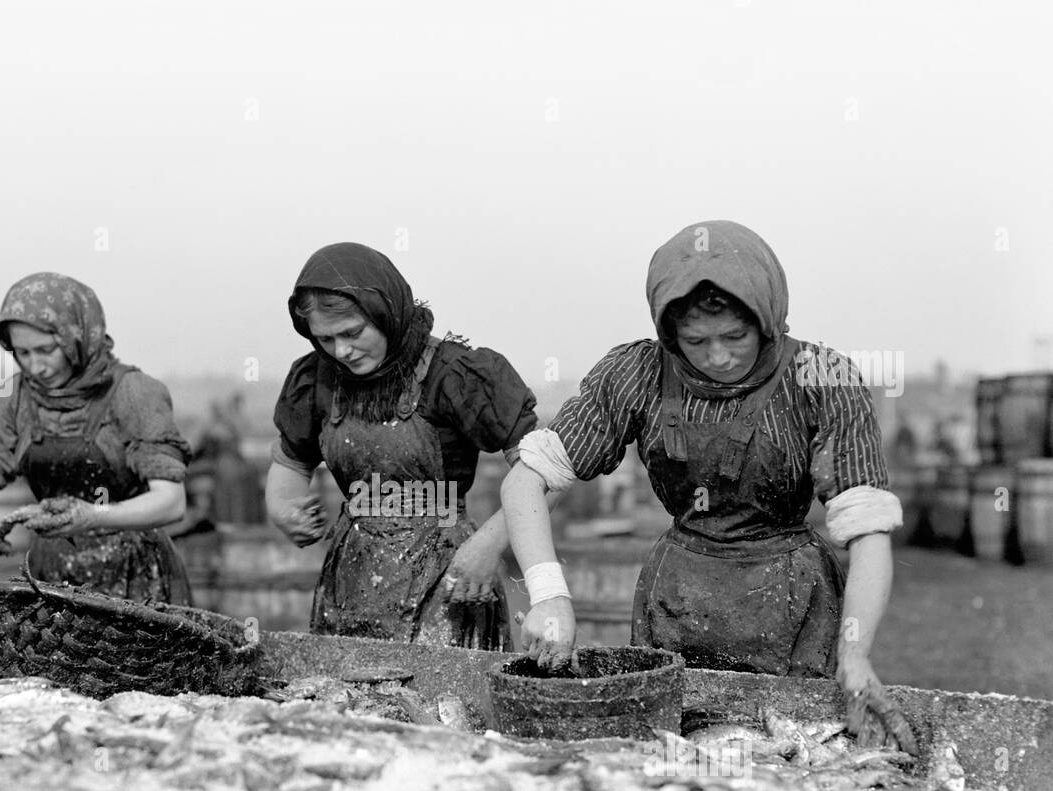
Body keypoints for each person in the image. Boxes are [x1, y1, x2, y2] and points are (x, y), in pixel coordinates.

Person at [501, 221, 916, 753]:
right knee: (673, 758)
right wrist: (549, 596)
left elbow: (868, 532)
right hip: (676, 598)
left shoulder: (822, 377)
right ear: (669, 334)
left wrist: (855, 655)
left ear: (767, 321)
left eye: (735, 337)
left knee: (786, 757)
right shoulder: (637, 373)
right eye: (696, 341)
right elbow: (523, 482)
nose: (718, 357)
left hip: (792, 599)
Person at [267, 242, 538, 648]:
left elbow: (541, 472)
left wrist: (489, 545)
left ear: (384, 313)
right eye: (325, 338)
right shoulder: (317, 380)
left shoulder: (455, 374)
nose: (341, 350)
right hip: (351, 579)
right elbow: (291, 465)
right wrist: (282, 509)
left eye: (352, 333)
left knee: (440, 705)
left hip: (450, 576)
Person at [0, 272, 192, 603]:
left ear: (76, 338)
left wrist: (92, 516)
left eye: (46, 350)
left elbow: (171, 502)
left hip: (135, 576)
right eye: (22, 353)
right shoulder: (14, 396)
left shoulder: (134, 392)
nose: (35, 366)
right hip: (51, 574)